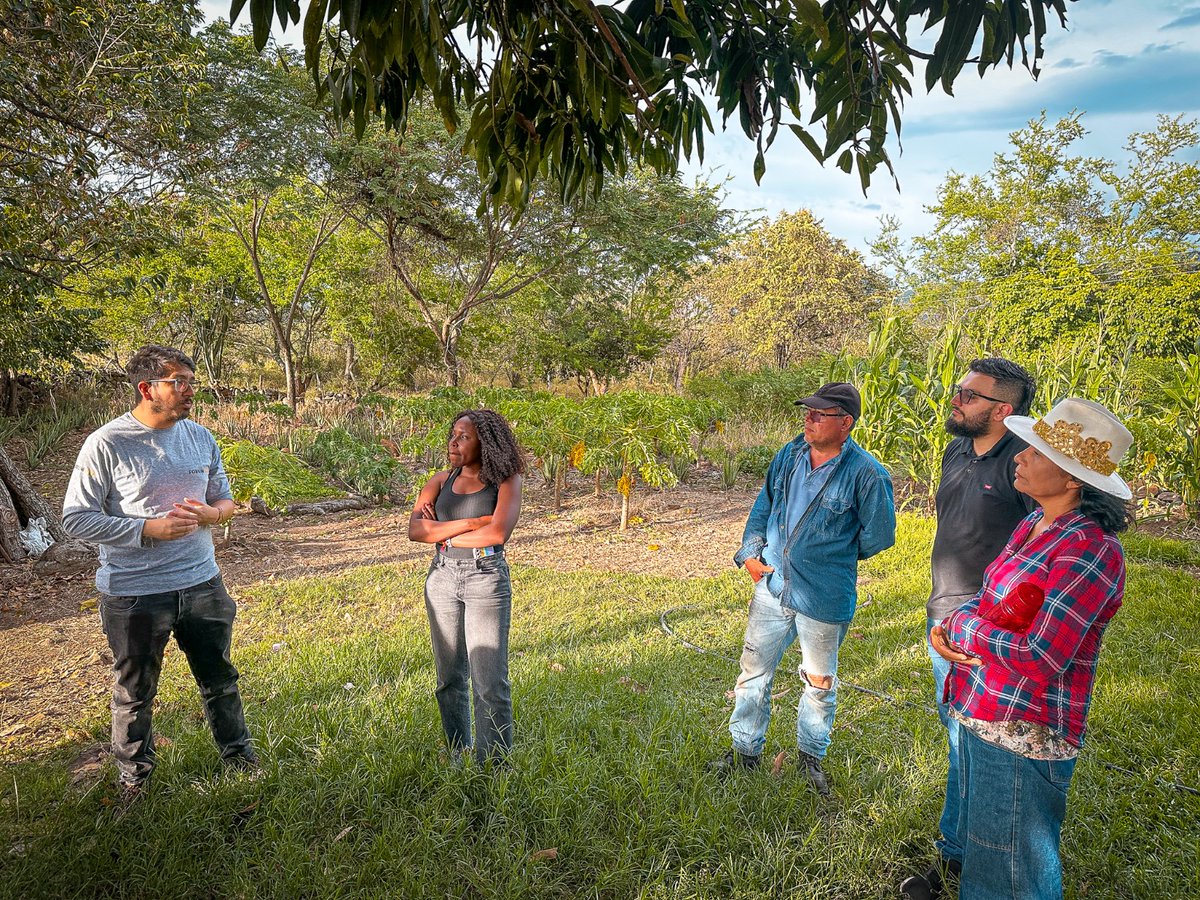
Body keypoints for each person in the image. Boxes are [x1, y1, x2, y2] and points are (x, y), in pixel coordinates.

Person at [912, 397, 1133, 900]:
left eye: (1035, 452)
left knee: (1011, 869)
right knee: (990, 850)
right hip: (986, 704)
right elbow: (987, 598)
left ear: (1072, 479)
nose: (1020, 456)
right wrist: (961, 623)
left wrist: (964, 629)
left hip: (1026, 726)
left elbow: (1041, 655)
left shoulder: (1089, 547)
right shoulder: (1034, 524)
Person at [62, 345, 256, 796]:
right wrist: (146, 529)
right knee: (135, 693)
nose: (189, 391)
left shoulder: (200, 437)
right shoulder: (107, 443)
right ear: (146, 388)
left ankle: (240, 761)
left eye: (191, 382)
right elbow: (76, 519)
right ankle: (136, 782)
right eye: (178, 382)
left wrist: (214, 514)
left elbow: (224, 499)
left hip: (203, 583)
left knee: (220, 680)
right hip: (135, 593)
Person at [710, 382, 896, 795]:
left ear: (845, 423)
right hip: (773, 585)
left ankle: (810, 757)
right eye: (807, 412)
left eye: (819, 414)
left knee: (819, 681)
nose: (808, 419)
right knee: (753, 672)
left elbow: (879, 535)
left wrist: (830, 555)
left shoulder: (867, 474)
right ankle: (745, 751)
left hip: (824, 594)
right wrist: (750, 552)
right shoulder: (790, 454)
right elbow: (764, 504)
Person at [903, 359, 1037, 899]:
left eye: (970, 395)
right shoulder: (956, 450)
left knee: (976, 744)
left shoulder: (1024, 465)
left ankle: (963, 857)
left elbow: (1036, 549)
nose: (956, 399)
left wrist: (989, 620)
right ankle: (959, 850)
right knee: (958, 737)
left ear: (1003, 410)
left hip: (987, 628)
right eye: (959, 390)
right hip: (944, 613)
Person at [408, 408, 524, 764]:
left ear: (485, 443)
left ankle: (494, 766)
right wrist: (473, 522)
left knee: (490, 683)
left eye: (464, 437)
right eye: (453, 435)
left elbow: (498, 533)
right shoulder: (440, 480)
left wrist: (440, 532)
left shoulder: (507, 481)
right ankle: (458, 753)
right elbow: (416, 531)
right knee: (449, 678)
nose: (453, 443)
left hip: (485, 577)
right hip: (441, 577)